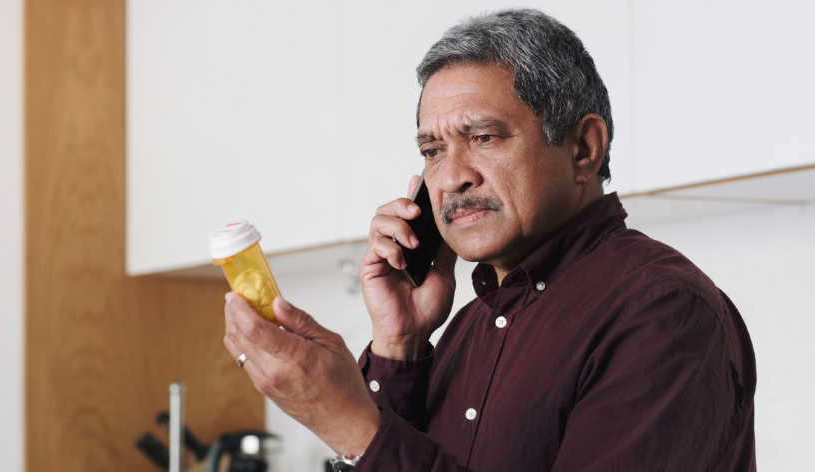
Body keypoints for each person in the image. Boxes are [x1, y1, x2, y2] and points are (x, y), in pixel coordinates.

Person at [222, 8, 757, 472]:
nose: (451, 177)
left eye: (482, 137)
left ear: (583, 149)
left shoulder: (662, 312)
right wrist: (399, 347)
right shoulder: (468, 326)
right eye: (432, 151)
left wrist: (348, 423)